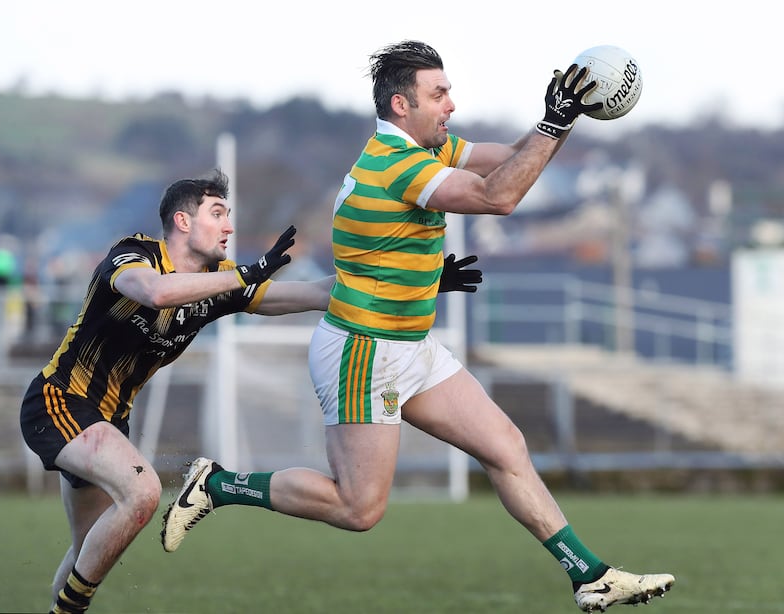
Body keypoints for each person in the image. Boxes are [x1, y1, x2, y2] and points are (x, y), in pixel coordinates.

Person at [161, 42, 675, 613]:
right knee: (360, 510)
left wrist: (565, 115)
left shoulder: (429, 147)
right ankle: (215, 485)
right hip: (364, 352)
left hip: (410, 344)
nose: (451, 104)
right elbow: (497, 195)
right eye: (439, 94)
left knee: (506, 446)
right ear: (402, 105)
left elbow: (512, 157)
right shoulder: (396, 164)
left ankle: (590, 575)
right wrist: (553, 124)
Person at [20, 169, 337, 614]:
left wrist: (406, 286)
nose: (229, 226)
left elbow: (312, 294)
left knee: (84, 553)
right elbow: (156, 293)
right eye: (218, 213)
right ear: (183, 221)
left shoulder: (220, 281)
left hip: (109, 422)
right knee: (145, 492)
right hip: (59, 401)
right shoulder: (133, 256)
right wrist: (246, 273)